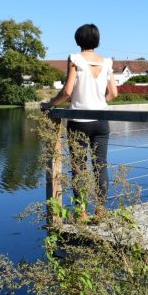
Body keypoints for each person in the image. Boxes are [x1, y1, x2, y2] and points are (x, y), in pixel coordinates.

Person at [41, 23, 118, 214]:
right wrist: (99, 101)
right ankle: (101, 209)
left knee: (79, 166)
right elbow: (114, 93)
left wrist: (50, 104)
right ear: (97, 40)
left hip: (78, 123)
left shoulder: (75, 59)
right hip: (101, 121)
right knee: (100, 165)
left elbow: (67, 91)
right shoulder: (107, 62)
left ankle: (81, 211)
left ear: (78, 40)